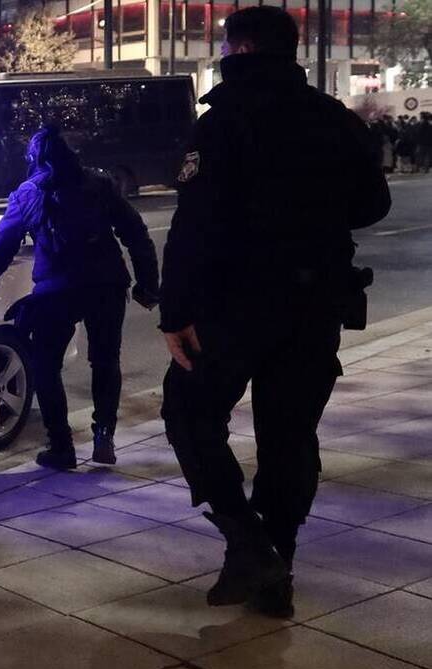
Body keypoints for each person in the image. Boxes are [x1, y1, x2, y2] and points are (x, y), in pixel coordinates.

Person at [159, 5, 390, 618]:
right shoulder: (333, 119)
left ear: (238, 50)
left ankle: (247, 540)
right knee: (289, 438)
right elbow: (373, 205)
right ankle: (275, 573)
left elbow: (193, 225)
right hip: (314, 303)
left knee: (189, 412)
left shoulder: (223, 121)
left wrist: (174, 312)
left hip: (232, 305)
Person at [0, 126, 159, 470]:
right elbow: (135, 232)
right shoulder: (99, 183)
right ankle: (104, 436)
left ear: (33, 158)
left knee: (45, 365)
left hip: (57, 290)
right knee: (105, 360)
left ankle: (61, 446)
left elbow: (1, 245)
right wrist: (148, 284)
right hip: (106, 285)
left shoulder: (28, 193)